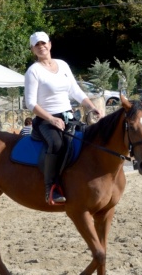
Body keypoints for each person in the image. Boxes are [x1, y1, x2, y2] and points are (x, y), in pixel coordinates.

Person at [24, 31, 100, 204]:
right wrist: (51, 119)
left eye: (44, 43)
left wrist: (91, 106)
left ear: (50, 44)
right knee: (57, 143)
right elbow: (30, 103)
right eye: (37, 45)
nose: (41, 47)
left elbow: (75, 90)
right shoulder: (33, 71)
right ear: (33, 50)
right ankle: (50, 187)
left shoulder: (63, 65)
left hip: (68, 116)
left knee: (87, 138)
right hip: (46, 120)